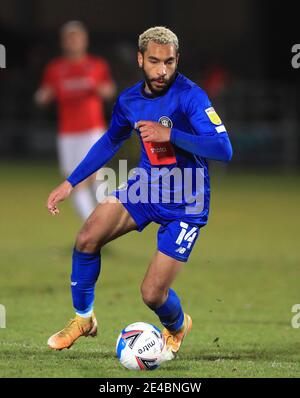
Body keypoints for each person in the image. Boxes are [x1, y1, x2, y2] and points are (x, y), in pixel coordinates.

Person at [46, 26, 233, 360]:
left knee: (152, 294)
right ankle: (83, 319)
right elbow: (109, 141)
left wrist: (170, 134)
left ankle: (177, 327)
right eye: (154, 61)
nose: (162, 71)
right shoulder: (130, 100)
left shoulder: (191, 96)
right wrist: (71, 182)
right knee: (87, 237)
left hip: (187, 201)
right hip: (145, 187)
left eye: (169, 62)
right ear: (140, 59)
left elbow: (223, 148)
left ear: (178, 60)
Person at [36, 20, 116, 220]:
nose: (73, 42)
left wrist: (98, 88)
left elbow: (109, 91)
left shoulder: (96, 65)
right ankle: (92, 228)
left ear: (84, 40)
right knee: (72, 178)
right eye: (69, 38)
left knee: (92, 176)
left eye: (77, 37)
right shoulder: (55, 68)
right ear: (63, 42)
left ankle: (104, 225)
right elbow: (42, 95)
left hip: (92, 129)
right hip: (68, 133)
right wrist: (44, 96)